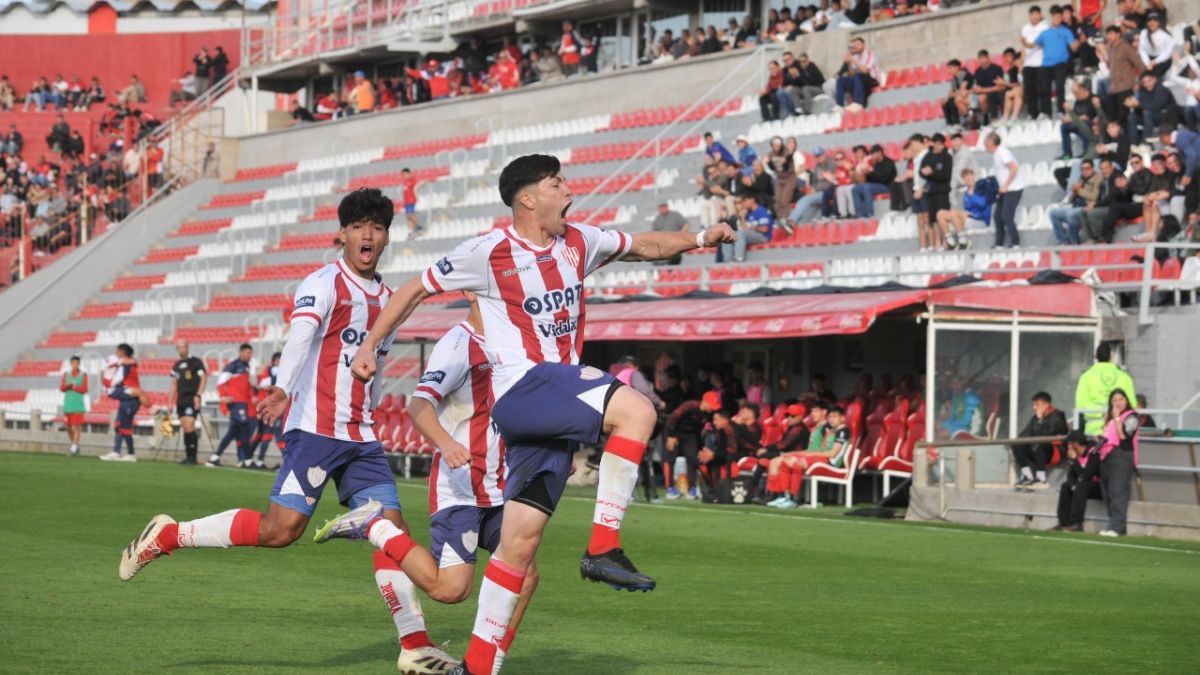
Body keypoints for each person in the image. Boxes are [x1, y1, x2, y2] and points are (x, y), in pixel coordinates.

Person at [336, 155, 734, 674]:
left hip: (548, 410)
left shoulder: (579, 241)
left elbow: (645, 245)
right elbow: (414, 289)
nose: (568, 191)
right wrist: (369, 344)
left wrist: (701, 238)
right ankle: (603, 546)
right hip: (524, 386)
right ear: (528, 198)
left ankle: (477, 667)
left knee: (519, 551)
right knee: (637, 411)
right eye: (556, 183)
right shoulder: (488, 251)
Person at [117, 188, 461, 673]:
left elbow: (377, 363)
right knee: (280, 531)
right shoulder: (323, 283)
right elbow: (300, 338)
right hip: (316, 430)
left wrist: (370, 408)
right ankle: (172, 534)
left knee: (392, 531)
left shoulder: (388, 299)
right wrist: (282, 388)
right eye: (358, 226)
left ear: (386, 237)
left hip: (360, 437)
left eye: (377, 227)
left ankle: (415, 646)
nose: (367, 235)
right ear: (341, 234)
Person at [323, 291, 539, 671]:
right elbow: (418, 405)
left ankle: (483, 666)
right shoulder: (457, 344)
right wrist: (447, 443)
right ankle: (374, 526)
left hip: (500, 486)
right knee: (450, 590)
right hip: (461, 487)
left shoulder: (513, 342)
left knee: (525, 575)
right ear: (471, 292)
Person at [1097, 388, 1140, 537]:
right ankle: (1113, 525)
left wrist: (1116, 419)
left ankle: (1117, 527)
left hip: (1121, 455)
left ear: (1126, 401)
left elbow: (1123, 436)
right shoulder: (1110, 418)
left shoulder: (1132, 417)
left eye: (1121, 399)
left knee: (1118, 491)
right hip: (1106, 455)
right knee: (1107, 492)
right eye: (1114, 400)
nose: (1118, 403)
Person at [665, 390, 720, 500]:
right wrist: (671, 436)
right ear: (705, 401)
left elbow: (701, 429)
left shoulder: (708, 414)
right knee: (670, 459)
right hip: (675, 433)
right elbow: (673, 418)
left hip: (690, 436)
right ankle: (670, 488)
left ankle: (692, 488)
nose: (712, 409)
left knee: (692, 459)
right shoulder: (690, 406)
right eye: (711, 405)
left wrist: (701, 445)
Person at [1010, 391, 1069, 490]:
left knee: (1038, 442)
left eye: (1037, 404)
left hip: (1055, 451)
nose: (1034, 407)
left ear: (1046, 405)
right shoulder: (1035, 418)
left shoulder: (1058, 415)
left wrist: (1040, 421)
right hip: (1038, 450)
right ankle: (1027, 476)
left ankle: (1041, 479)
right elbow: (1024, 435)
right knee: (1016, 444)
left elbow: (1046, 435)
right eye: (1033, 404)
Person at [1075, 343, 1137, 435]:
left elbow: (1081, 404)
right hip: (1119, 430)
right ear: (1111, 356)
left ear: (1095, 356)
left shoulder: (1086, 377)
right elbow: (1132, 404)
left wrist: (1101, 413)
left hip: (1094, 431)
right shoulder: (1125, 377)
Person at [210, 343, 256, 468]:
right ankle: (247, 460)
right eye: (248, 353)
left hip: (243, 403)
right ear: (241, 353)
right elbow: (220, 382)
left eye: (251, 353)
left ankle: (216, 457)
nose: (250, 355)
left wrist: (252, 396)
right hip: (236, 402)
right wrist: (223, 397)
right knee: (245, 428)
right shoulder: (233, 366)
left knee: (234, 431)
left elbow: (246, 385)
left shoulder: (246, 366)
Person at [99, 343, 144, 462]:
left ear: (123, 352)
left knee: (124, 426)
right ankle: (119, 452)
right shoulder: (125, 364)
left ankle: (128, 453)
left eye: (118, 350)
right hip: (127, 398)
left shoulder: (127, 365)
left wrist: (106, 382)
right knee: (120, 425)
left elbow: (116, 380)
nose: (116, 352)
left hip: (131, 399)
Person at [1052, 430, 1102, 531]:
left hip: (1099, 486)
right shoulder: (1076, 456)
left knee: (1081, 486)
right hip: (1085, 485)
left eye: (1069, 443)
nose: (1068, 446)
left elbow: (1087, 475)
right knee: (1065, 486)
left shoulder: (1094, 452)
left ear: (1076, 444)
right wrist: (1072, 484)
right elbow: (1071, 475)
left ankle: (1077, 523)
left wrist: (1074, 460)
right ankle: (1064, 523)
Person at [167, 339, 207, 465]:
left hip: (192, 398)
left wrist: (198, 395)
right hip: (181, 399)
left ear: (187, 347)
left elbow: (203, 378)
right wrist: (170, 401)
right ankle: (188, 456)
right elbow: (174, 384)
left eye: (183, 346)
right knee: (184, 426)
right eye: (179, 347)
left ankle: (193, 457)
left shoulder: (196, 362)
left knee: (189, 424)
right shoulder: (177, 365)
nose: (181, 349)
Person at [936, 168, 993, 249]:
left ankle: (963, 241)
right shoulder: (966, 193)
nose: (967, 179)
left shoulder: (982, 187)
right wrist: (966, 212)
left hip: (981, 220)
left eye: (969, 176)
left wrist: (972, 195)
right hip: (970, 219)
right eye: (965, 178)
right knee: (940, 213)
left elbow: (983, 204)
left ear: (973, 177)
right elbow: (968, 209)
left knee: (953, 212)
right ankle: (950, 242)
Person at [1049, 159, 1102, 245]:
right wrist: (1074, 191)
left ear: (1092, 168)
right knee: (1053, 213)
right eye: (1082, 169)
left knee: (1071, 214)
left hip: (1087, 207)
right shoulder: (1081, 178)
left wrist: (1079, 190)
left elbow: (1094, 197)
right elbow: (1072, 199)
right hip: (1076, 205)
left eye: (1087, 168)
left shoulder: (1098, 179)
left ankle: (1074, 242)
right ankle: (1063, 241)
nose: (1085, 171)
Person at [986, 132, 1024, 248]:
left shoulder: (1002, 152)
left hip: (1013, 188)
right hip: (1005, 190)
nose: (984, 144)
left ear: (991, 142)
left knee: (1007, 216)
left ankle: (1016, 242)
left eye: (986, 141)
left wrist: (1006, 185)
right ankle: (999, 243)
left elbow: (1014, 168)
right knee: (997, 216)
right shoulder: (997, 154)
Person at [249, 352, 283, 469]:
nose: (280, 363)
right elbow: (262, 384)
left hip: (269, 406)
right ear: (274, 362)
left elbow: (259, 384)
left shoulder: (268, 372)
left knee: (263, 434)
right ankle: (256, 460)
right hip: (271, 407)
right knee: (273, 435)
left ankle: (250, 458)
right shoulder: (273, 371)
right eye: (278, 361)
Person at [920, 133, 954, 248]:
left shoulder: (947, 157)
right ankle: (938, 241)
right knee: (933, 219)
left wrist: (932, 173)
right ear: (933, 144)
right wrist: (924, 172)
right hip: (931, 191)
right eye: (938, 144)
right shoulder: (928, 156)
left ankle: (946, 241)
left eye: (942, 144)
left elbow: (946, 176)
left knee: (943, 217)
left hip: (942, 191)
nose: (940, 146)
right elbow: (921, 170)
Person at [722, 194, 773, 262]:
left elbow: (765, 229)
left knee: (739, 234)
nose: (744, 203)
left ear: (752, 199)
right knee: (728, 235)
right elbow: (744, 229)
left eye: (745, 200)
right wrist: (743, 217)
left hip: (763, 236)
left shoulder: (761, 210)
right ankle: (728, 261)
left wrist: (753, 228)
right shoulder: (749, 213)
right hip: (752, 235)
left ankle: (739, 258)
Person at [1020, 5, 1049, 119]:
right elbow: (1023, 47)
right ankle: (1033, 114)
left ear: (1040, 15)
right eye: (1032, 14)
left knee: (1043, 89)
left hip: (1041, 62)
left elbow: (1038, 44)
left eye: (1036, 14)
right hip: (1028, 63)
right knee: (1029, 90)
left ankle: (1045, 112)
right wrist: (1022, 61)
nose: (1034, 17)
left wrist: (1026, 44)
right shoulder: (1025, 28)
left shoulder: (1045, 27)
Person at [851, 144, 895, 218]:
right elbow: (870, 179)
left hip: (887, 186)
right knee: (855, 189)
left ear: (879, 153)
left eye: (873, 153)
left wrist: (871, 172)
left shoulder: (888, 163)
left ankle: (869, 213)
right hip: (876, 185)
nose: (872, 156)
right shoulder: (875, 163)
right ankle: (859, 214)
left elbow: (884, 178)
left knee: (866, 187)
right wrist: (866, 174)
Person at [834, 37, 880, 108]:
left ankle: (857, 103)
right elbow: (852, 74)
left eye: (858, 44)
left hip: (871, 81)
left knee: (858, 75)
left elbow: (865, 70)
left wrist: (853, 60)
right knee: (841, 80)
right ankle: (839, 105)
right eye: (855, 45)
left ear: (863, 45)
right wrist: (849, 63)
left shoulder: (869, 54)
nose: (856, 46)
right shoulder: (855, 56)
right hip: (858, 80)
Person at [60, 355, 88, 456]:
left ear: (79, 364)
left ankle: (73, 448)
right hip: (68, 404)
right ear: (71, 364)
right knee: (68, 427)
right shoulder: (66, 374)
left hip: (78, 405)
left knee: (76, 427)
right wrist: (68, 385)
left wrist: (75, 387)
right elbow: (62, 388)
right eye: (73, 363)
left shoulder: (83, 375)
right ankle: (75, 445)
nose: (75, 365)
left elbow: (84, 389)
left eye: (77, 363)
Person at [972, 50, 1007, 125]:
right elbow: (975, 85)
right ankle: (984, 118)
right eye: (980, 58)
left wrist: (983, 90)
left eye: (984, 57)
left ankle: (1000, 118)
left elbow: (1000, 86)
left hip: (996, 92)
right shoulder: (977, 71)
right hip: (983, 93)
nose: (983, 60)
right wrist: (975, 89)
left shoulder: (997, 69)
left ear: (988, 58)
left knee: (987, 96)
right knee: (976, 98)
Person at [1138, 13, 1174, 79]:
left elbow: (1168, 53)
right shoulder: (1144, 33)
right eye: (1149, 20)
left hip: (1162, 60)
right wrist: (1147, 63)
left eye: (1155, 20)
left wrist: (1155, 62)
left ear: (1158, 23)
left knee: (1155, 78)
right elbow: (1142, 50)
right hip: (1148, 60)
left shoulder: (1165, 35)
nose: (1152, 23)